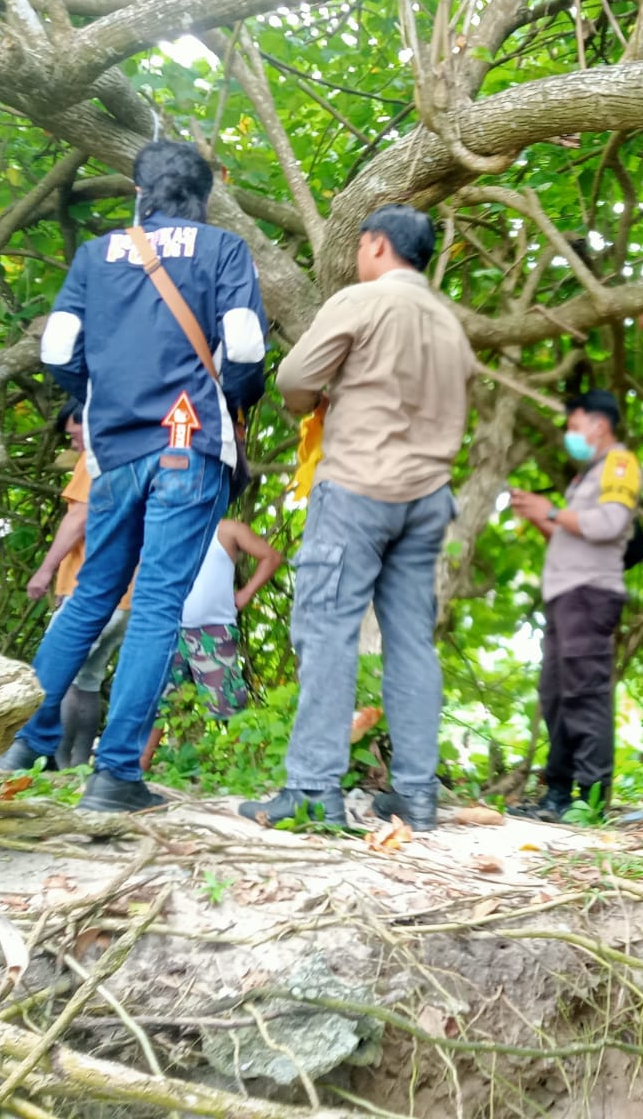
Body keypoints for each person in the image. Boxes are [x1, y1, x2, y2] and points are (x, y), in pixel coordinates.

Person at [0, 141, 267, 812]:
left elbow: (57, 349)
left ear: (140, 195)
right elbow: (248, 346)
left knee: (89, 595)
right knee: (158, 605)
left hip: (113, 452)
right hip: (187, 441)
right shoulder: (222, 248)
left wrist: (91, 402)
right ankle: (115, 775)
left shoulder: (95, 256)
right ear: (203, 197)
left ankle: (21, 742)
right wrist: (231, 396)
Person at [241, 204, 475, 831]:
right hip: (428, 499)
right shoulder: (451, 324)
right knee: (411, 646)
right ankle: (417, 795)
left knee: (327, 632)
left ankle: (314, 790)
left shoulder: (363, 300)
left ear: (375, 245)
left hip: (358, 489)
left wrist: (316, 400)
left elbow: (294, 378)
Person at [509, 389, 640, 821]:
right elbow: (570, 533)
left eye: (572, 425)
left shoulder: (620, 464)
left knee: (585, 694)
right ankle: (558, 796)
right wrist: (541, 518)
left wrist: (551, 511)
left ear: (598, 425)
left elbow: (610, 524)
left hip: (590, 593)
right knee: (555, 696)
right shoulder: (585, 476)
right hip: (565, 596)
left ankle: (594, 800)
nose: (569, 435)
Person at [27, 398, 134, 770]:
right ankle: (75, 766)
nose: (74, 444)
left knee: (52, 674)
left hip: (91, 592)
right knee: (87, 681)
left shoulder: (97, 457)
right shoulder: (131, 458)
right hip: (126, 597)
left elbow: (78, 519)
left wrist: (44, 571)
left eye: (74, 435)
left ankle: (43, 759)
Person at [140, 518, 282, 770]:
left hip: (214, 630)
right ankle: (138, 767)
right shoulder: (167, 525)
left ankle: (244, 769)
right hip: (170, 627)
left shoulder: (227, 529)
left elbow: (271, 557)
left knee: (228, 702)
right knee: (158, 701)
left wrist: (246, 593)